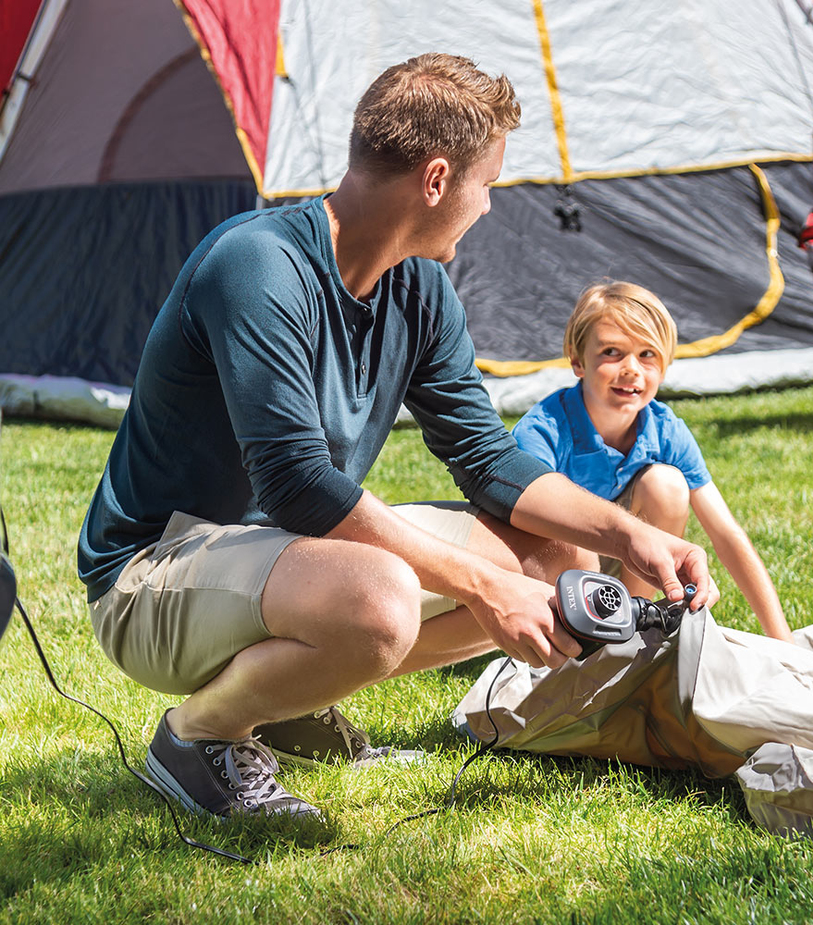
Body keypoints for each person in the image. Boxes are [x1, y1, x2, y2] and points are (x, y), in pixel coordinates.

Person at [78, 55, 717, 821]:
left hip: (288, 559)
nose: (488, 206)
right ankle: (198, 733)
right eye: (487, 184)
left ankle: (286, 700)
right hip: (153, 576)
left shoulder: (419, 286)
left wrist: (630, 533)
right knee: (380, 600)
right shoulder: (258, 265)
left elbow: (485, 455)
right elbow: (295, 482)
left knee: (556, 559)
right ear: (438, 179)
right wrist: (483, 586)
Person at [513, 280, 793, 643]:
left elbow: (727, 535)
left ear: (665, 365)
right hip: (551, 572)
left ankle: (623, 629)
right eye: (613, 351)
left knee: (667, 485)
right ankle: (581, 630)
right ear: (578, 359)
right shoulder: (544, 431)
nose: (632, 369)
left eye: (648, 355)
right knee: (568, 518)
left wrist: (783, 641)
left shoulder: (664, 429)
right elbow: (519, 529)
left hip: (620, 559)